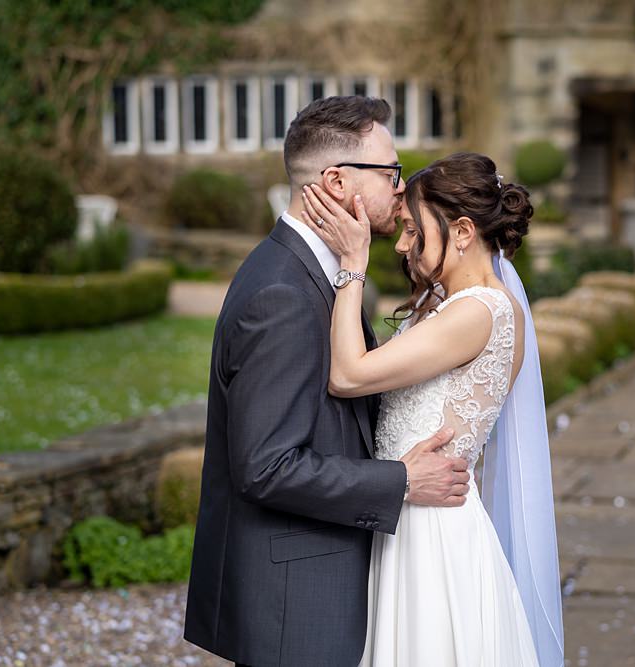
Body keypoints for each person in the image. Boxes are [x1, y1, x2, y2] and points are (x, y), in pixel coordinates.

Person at [183, 96, 472, 667]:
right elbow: (266, 467)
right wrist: (400, 480)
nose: (399, 188)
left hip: (318, 582)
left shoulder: (321, 271)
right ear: (337, 181)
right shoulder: (282, 295)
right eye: (390, 173)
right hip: (297, 603)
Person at [299, 151, 565, 666]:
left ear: (462, 231)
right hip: (401, 513)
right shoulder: (440, 303)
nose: (401, 244)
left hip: (432, 535)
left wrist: (353, 267)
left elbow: (348, 375)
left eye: (413, 231)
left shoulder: (479, 311)